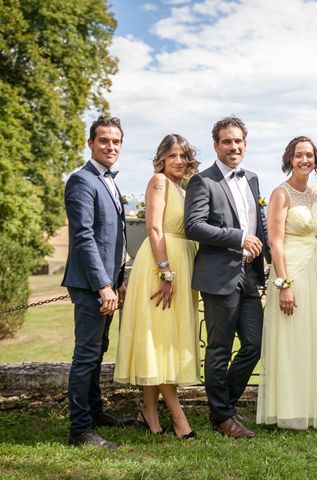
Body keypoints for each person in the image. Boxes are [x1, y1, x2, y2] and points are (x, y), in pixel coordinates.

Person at [184, 116, 269, 438]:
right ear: (216, 145)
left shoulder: (253, 179)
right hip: (219, 276)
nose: (233, 147)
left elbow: (259, 224)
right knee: (219, 347)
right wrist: (238, 237)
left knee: (255, 344)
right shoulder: (202, 182)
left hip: (249, 274)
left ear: (245, 144)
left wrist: (273, 260)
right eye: (226, 142)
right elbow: (194, 226)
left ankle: (223, 406)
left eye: (238, 141)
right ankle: (222, 416)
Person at [114, 134, 201, 440]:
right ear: (161, 158)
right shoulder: (159, 182)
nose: (178, 161)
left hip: (182, 263)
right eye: (172, 155)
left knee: (164, 339)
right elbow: (153, 227)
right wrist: (165, 272)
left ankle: (148, 411)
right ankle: (179, 418)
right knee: (161, 337)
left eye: (183, 156)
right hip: (160, 264)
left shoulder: (182, 187)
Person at [62, 116, 133, 448]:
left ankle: (95, 412)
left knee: (98, 351)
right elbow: (85, 238)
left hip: (108, 282)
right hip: (92, 284)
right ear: (90, 143)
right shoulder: (81, 181)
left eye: (116, 141)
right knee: (87, 355)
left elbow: (113, 236)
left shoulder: (109, 181)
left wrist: (118, 279)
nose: (111, 146)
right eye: (104, 140)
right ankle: (80, 429)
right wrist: (103, 284)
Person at [256, 136, 317, 430]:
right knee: (290, 338)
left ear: (316, 160)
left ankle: (311, 404)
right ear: (290, 158)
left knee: (312, 337)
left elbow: (312, 234)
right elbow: (275, 242)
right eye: (299, 155)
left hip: (313, 269)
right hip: (290, 270)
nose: (305, 160)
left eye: (310, 155)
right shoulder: (281, 193)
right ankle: (289, 409)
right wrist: (284, 284)